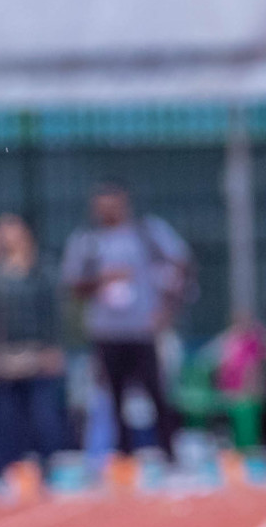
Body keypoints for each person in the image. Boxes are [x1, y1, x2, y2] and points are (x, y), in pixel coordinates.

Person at [60, 181, 191, 462]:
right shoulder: (86, 240)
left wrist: (167, 310)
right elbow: (72, 285)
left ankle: (170, 453)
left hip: (142, 329)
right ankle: (124, 456)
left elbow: (182, 265)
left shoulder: (147, 233)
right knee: (113, 399)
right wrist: (102, 280)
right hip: (106, 332)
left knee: (157, 393)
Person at [0, 214, 66, 474]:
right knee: (8, 417)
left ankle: (51, 466)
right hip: (8, 353)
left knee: (44, 415)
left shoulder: (42, 269)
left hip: (38, 350)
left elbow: (52, 311)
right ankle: (13, 467)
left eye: (11, 229)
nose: (6, 236)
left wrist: (53, 346)